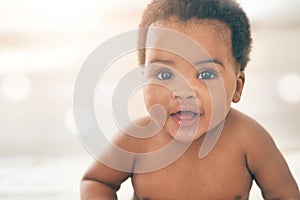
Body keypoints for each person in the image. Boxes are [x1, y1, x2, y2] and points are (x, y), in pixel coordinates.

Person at [80, 0, 300, 199]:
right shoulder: (137, 140)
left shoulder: (250, 141)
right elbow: (96, 182)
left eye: (206, 75)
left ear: (237, 87)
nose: (183, 91)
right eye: (165, 75)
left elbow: (285, 195)